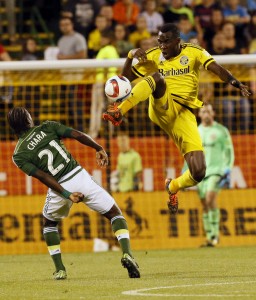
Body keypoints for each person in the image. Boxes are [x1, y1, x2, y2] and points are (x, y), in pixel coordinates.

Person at [102, 23, 250, 214]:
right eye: (160, 41)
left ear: (178, 41)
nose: (162, 46)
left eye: (166, 41)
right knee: (157, 78)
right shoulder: (153, 55)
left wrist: (236, 83)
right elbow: (125, 78)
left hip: (184, 115)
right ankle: (119, 112)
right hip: (161, 107)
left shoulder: (194, 52)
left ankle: (173, 187)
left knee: (199, 172)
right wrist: (130, 55)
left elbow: (216, 68)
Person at [7, 107, 140, 280]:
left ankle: (60, 269)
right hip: (79, 175)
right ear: (28, 119)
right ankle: (127, 253)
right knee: (114, 213)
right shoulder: (46, 127)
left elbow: (42, 176)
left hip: (58, 186)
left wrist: (65, 194)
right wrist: (98, 147)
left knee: (49, 224)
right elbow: (76, 134)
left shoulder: (18, 155)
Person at [197, 104, 234, 247]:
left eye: (208, 111)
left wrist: (227, 169)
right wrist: (186, 168)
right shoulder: (196, 131)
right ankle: (209, 237)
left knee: (210, 197)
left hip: (216, 170)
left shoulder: (221, 130)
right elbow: (191, 153)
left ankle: (215, 236)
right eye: (203, 111)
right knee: (204, 203)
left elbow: (229, 151)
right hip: (200, 172)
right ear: (199, 114)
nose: (206, 113)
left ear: (213, 113)